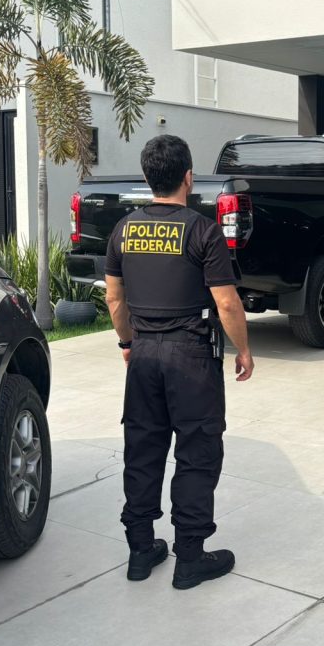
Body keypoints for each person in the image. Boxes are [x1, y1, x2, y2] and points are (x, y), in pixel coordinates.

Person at [105, 134, 254, 590]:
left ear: (147, 176)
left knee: (143, 450)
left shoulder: (123, 230)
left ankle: (140, 551)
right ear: (188, 177)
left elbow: (115, 298)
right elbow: (226, 302)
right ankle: (189, 557)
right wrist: (244, 349)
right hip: (191, 354)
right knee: (196, 452)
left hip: (144, 354)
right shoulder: (202, 230)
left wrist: (127, 343)